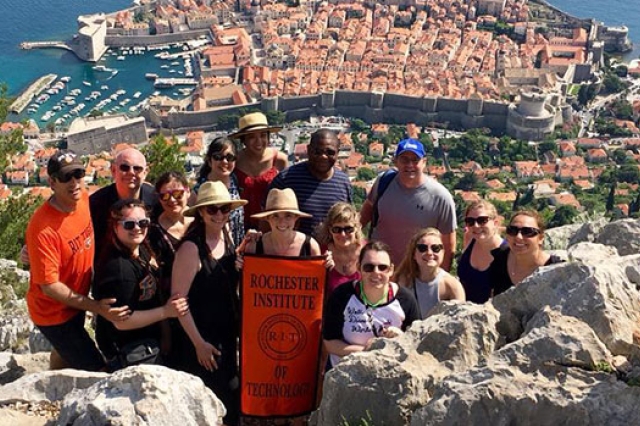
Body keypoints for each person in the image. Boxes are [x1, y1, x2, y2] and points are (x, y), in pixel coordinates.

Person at [25, 150, 130, 371]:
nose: (74, 183)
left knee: (65, 352)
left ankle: (52, 384)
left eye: (78, 174)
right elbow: (49, 287)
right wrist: (96, 307)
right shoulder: (43, 229)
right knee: (96, 368)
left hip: (76, 300)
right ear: (52, 182)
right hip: (54, 314)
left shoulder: (82, 199)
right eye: (66, 177)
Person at [171, 181, 248, 426]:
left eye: (224, 209)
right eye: (212, 209)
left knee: (229, 405)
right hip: (202, 343)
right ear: (201, 212)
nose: (219, 214)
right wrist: (198, 344)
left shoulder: (226, 238)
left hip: (224, 340)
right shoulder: (190, 248)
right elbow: (178, 301)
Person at [92, 199, 188, 371]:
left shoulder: (140, 248)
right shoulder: (118, 270)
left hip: (149, 340)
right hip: (129, 349)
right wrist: (166, 312)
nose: (137, 228)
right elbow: (122, 321)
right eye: (129, 224)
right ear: (115, 227)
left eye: (143, 222)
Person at [360, 138, 457, 269]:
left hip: (417, 273)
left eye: (415, 160)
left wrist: (440, 279)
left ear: (424, 163)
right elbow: (364, 215)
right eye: (404, 159)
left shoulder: (441, 197)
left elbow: (448, 244)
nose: (409, 165)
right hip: (380, 268)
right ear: (396, 162)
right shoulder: (383, 182)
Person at [322, 241, 420, 368]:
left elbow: (416, 344)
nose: (376, 272)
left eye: (382, 267)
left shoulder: (405, 299)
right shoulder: (342, 295)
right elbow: (329, 343)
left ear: (391, 270)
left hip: (388, 374)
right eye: (369, 267)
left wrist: (401, 337)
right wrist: (368, 352)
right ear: (359, 267)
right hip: (344, 375)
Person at [269, 129, 352, 237]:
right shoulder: (286, 179)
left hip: (332, 251)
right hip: (294, 251)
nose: (323, 156)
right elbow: (267, 219)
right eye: (317, 151)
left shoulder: (344, 182)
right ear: (308, 150)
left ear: (337, 153)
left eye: (330, 152)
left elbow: (348, 221)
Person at [90, 148, 158, 256]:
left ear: (145, 173)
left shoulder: (156, 199)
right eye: (124, 167)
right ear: (113, 170)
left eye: (137, 168)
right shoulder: (95, 204)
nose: (131, 172)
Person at [230, 112, 288, 231]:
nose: (258, 141)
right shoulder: (234, 161)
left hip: (272, 225)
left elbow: (287, 194)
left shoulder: (279, 160)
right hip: (241, 225)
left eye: (262, 135)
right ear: (243, 140)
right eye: (252, 137)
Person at [489, 210, 564, 297]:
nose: (518, 237)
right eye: (513, 230)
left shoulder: (556, 269)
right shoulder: (500, 258)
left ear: (540, 238)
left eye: (527, 232)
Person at [395, 228, 466, 318]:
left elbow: (460, 320)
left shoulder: (452, 285)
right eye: (422, 248)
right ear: (414, 254)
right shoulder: (403, 281)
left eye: (436, 248)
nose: (429, 253)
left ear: (443, 252)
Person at [193, 136, 244, 246]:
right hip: (213, 250)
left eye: (229, 157)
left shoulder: (234, 180)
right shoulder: (199, 191)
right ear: (209, 161)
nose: (224, 161)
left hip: (237, 247)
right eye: (218, 157)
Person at [148, 171, 193, 293]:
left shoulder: (203, 219)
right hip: (173, 296)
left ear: (188, 191)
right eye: (165, 196)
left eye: (178, 194)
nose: (172, 200)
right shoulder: (153, 231)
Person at [243, 188, 321, 257]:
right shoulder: (253, 247)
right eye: (275, 216)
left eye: (288, 216)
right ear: (267, 218)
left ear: (296, 217)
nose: (282, 222)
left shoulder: (310, 247)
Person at [457, 200, 506, 304]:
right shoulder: (469, 239)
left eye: (482, 220)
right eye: (470, 221)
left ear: (495, 222)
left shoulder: (506, 253)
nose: (476, 225)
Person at [316, 202, 364, 295]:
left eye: (348, 229)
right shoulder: (320, 253)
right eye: (337, 229)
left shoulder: (368, 253)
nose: (343, 234)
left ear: (356, 228)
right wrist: (321, 268)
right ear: (330, 230)